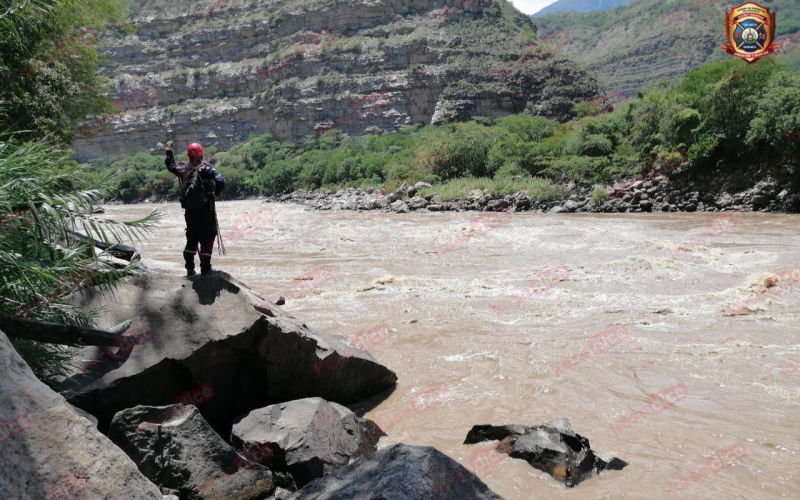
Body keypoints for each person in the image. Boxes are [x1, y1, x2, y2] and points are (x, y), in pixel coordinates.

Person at [165, 140, 225, 276]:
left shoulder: (183, 169)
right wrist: (216, 193)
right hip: (206, 211)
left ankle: (190, 269)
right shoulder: (206, 168)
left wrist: (168, 151)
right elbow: (220, 180)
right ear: (201, 154)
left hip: (190, 213)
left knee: (191, 239)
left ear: (189, 155)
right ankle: (205, 268)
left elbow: (170, 165)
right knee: (207, 238)